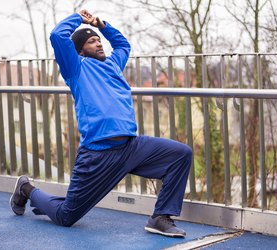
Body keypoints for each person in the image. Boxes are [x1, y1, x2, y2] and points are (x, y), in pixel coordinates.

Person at [10, 9, 192, 238]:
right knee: (66, 216)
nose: (98, 44)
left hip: (130, 147)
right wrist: (80, 19)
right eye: (91, 41)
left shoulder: (113, 64)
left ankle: (160, 217)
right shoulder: (76, 67)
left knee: (181, 154)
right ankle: (27, 189)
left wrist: (102, 25)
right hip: (98, 155)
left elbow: (123, 45)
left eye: (98, 40)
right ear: (79, 50)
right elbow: (58, 36)